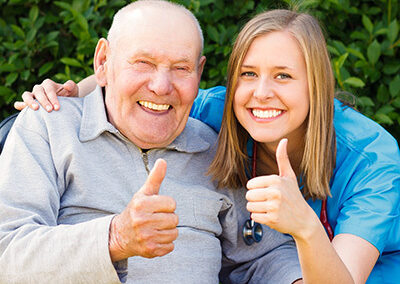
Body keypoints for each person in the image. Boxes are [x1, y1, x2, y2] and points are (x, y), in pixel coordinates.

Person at [19, 7, 400, 284]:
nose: (262, 93)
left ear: (316, 85)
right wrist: (72, 93)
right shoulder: (218, 110)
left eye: (284, 76)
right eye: (249, 74)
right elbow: (151, 83)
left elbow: (293, 267)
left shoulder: (370, 156)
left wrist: (305, 229)